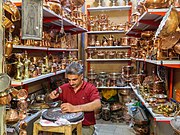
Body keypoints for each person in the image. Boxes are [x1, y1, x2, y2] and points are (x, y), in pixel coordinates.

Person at [48, 62, 101, 135]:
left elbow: (97, 104)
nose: (71, 83)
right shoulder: (64, 88)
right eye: (69, 80)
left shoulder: (90, 88)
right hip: (67, 124)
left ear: (81, 76)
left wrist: (74, 108)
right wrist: (50, 97)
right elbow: (47, 100)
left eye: (74, 79)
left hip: (85, 126)